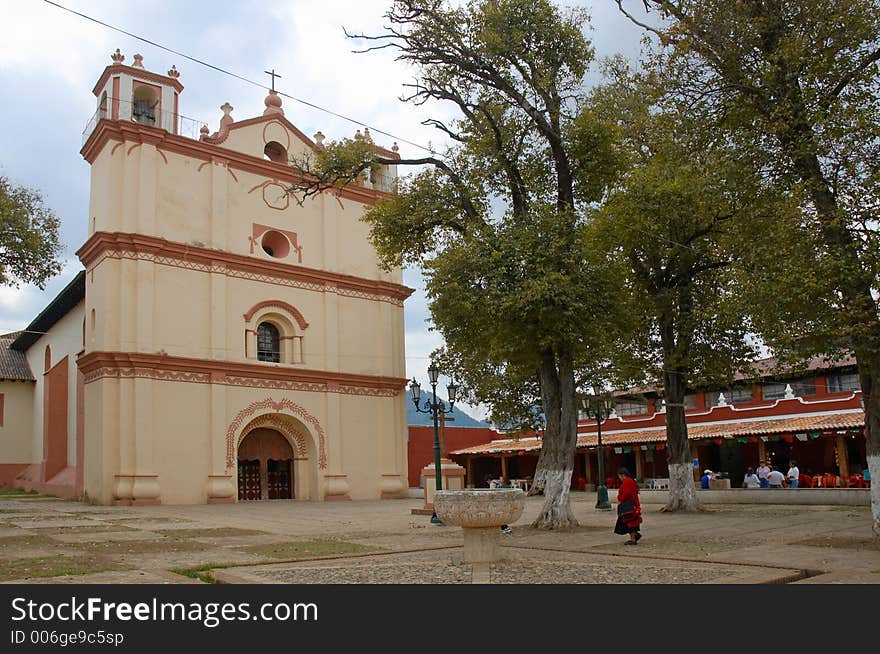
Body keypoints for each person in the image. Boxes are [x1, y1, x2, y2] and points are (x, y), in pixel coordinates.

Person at [614, 467, 643, 545]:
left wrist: (621, 500)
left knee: (630, 521)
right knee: (631, 521)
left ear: (623, 475)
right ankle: (635, 535)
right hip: (633, 504)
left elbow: (627, 493)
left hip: (629, 505)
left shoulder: (627, 481)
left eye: (619, 476)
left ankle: (633, 539)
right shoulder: (630, 481)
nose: (619, 478)